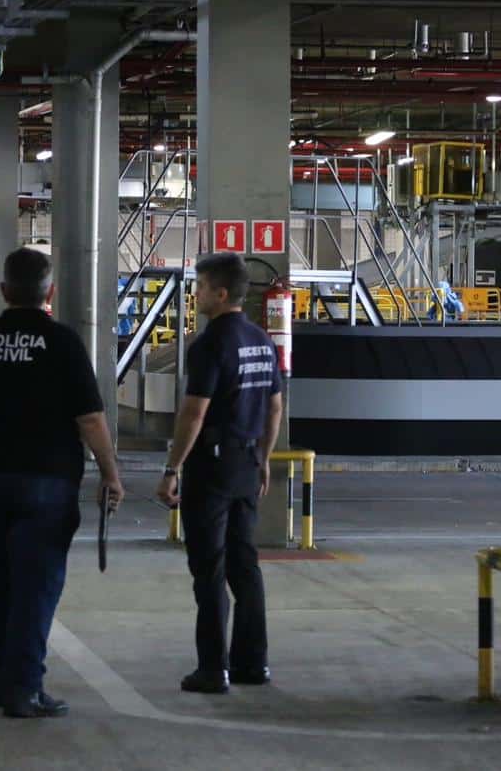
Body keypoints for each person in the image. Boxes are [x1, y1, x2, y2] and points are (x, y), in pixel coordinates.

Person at [0, 247, 124, 719]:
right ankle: (25, 688)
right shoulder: (62, 342)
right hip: (46, 480)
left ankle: (5, 683)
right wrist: (110, 472)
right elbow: (91, 417)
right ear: (50, 293)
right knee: (36, 586)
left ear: (1, 292)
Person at [156, 253, 284, 695]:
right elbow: (274, 406)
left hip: (211, 466)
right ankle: (254, 664)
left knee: (209, 568)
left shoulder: (210, 344)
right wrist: (263, 457)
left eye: (201, 286)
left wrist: (172, 468)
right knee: (244, 565)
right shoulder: (261, 341)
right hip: (246, 462)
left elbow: (194, 412)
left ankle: (213, 668)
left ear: (221, 293)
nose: (196, 294)